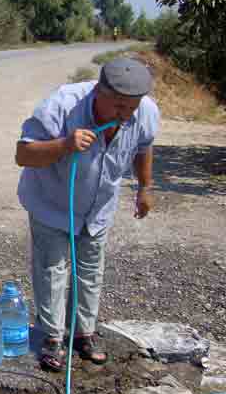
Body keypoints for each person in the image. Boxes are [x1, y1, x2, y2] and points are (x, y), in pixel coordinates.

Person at [15, 57, 159, 372]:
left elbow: (143, 146)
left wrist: (145, 187)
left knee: (90, 269)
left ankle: (84, 333)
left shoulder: (145, 112)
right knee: (52, 270)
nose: (123, 115)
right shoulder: (62, 105)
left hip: (97, 209)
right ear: (98, 91)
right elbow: (23, 154)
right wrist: (65, 144)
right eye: (117, 106)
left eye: (130, 108)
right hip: (51, 203)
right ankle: (51, 337)